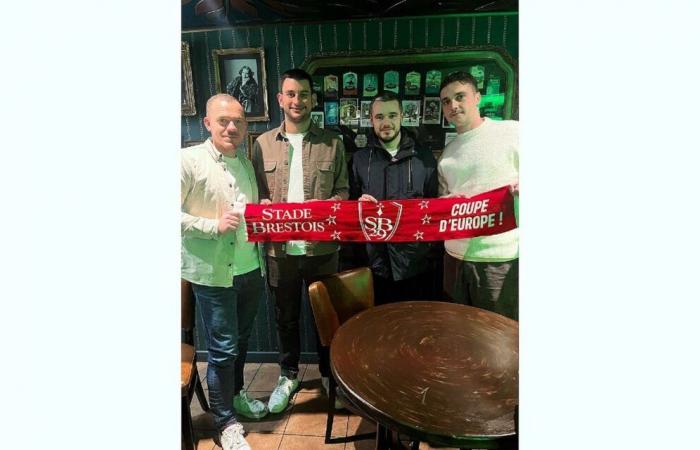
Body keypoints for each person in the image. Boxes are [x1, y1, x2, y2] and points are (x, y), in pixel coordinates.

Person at [250, 68, 349, 413]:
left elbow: (343, 192)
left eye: (304, 94)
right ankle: (289, 375)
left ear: (313, 99)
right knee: (285, 316)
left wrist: (321, 209)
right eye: (291, 94)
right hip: (280, 250)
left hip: (322, 248)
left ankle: (329, 374)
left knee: (327, 314)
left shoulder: (333, 142)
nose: (297, 101)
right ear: (280, 99)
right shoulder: (261, 145)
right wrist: (261, 206)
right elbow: (256, 195)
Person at [181, 94, 268, 450]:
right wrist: (210, 226)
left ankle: (234, 395)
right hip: (214, 273)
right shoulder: (187, 161)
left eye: (238, 121)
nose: (231, 127)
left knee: (240, 342)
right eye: (223, 121)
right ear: (207, 123)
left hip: (250, 267)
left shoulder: (245, 164)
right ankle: (225, 422)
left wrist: (262, 209)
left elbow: (246, 211)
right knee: (222, 350)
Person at [437, 71, 519, 320]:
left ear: (477, 98)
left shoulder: (513, 132)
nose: (453, 105)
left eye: (460, 96)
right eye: (446, 101)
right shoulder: (446, 155)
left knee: (497, 336)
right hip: (454, 256)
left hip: (498, 257)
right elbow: (443, 202)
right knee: (457, 331)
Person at [350, 92, 438, 304]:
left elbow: (436, 207)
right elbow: (349, 208)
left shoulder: (423, 157)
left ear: (401, 117)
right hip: (376, 266)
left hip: (416, 266)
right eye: (379, 117)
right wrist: (358, 206)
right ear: (371, 120)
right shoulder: (360, 159)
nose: (386, 122)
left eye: (392, 115)